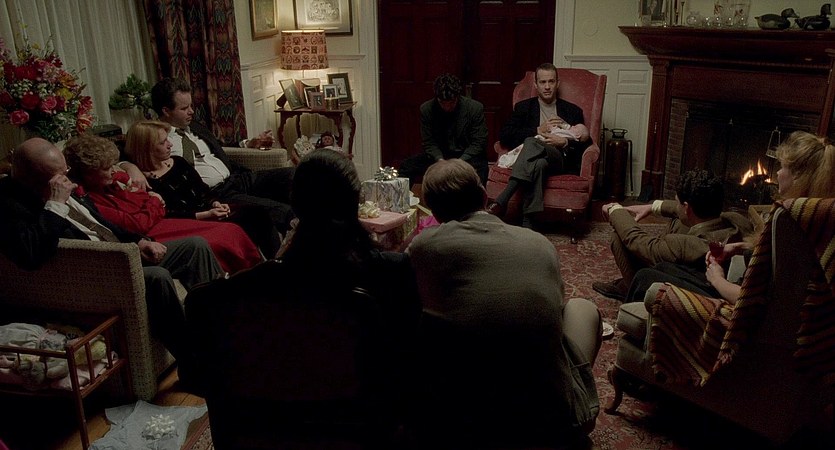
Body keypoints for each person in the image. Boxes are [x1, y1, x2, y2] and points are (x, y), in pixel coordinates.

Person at [406, 158, 602, 448]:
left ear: (432, 210)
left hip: (463, 419)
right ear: (484, 196)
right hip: (552, 418)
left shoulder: (424, 247)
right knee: (582, 308)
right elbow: (555, 309)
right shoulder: (540, 243)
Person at [0, 137, 223, 390]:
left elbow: (101, 224)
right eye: (58, 175)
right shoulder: (8, 203)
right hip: (96, 273)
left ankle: (222, 337)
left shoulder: (60, 183)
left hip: (122, 252)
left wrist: (138, 241)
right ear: (31, 178)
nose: (67, 179)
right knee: (156, 277)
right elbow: (29, 253)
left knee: (195, 246)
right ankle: (195, 368)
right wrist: (54, 205)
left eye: (66, 171)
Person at [63, 133, 263, 274]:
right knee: (220, 237)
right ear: (88, 173)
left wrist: (150, 202)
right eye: (106, 168)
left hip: (160, 222)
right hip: (150, 234)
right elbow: (137, 222)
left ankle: (254, 275)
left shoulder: (114, 181)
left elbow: (148, 201)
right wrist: (153, 203)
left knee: (232, 229)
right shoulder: (87, 199)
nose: (113, 171)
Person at [121, 77, 295, 236]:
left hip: (237, 178)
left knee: (295, 174)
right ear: (166, 110)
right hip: (215, 193)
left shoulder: (194, 126)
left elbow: (219, 145)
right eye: (184, 108)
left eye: (191, 106)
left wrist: (248, 143)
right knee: (282, 211)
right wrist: (129, 167)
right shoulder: (153, 138)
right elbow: (125, 154)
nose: (191, 111)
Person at [703, 130, 835, 303]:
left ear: (798, 176)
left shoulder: (788, 223)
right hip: (740, 290)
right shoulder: (814, 218)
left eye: (782, 167)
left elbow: (758, 302)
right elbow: (775, 257)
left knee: (665, 281)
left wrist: (717, 279)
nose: (777, 173)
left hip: (735, 309)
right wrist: (737, 247)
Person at [124, 120, 284, 258]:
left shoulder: (178, 162)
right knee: (245, 223)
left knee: (258, 214)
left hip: (210, 209)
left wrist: (215, 203)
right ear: (146, 149)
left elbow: (202, 189)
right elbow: (168, 213)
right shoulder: (144, 181)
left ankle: (277, 262)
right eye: (162, 142)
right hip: (192, 222)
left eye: (168, 139)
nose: (170, 144)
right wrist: (206, 214)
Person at [593, 169, 753, 301]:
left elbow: (638, 240)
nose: (676, 206)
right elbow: (684, 211)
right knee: (678, 221)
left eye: (677, 202)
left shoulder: (682, 245)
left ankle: (631, 288)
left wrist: (614, 209)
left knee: (619, 237)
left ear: (687, 207)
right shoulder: (737, 221)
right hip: (703, 273)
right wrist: (653, 207)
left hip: (688, 288)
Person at [487, 63, 591, 227]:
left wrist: (565, 142)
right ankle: (528, 219)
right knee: (539, 163)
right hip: (538, 161)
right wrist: (536, 130)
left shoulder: (572, 111)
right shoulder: (524, 108)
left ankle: (503, 197)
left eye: (551, 81)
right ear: (536, 85)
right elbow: (505, 135)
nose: (547, 87)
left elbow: (587, 142)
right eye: (543, 82)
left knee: (531, 141)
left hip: (559, 159)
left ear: (557, 83)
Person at [398, 73, 488, 186]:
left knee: (481, 168)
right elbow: (429, 142)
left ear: (457, 97)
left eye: (451, 103)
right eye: (442, 103)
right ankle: (403, 197)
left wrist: (460, 161)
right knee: (407, 166)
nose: (447, 107)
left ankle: (475, 198)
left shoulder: (474, 108)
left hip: (466, 155)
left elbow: (479, 142)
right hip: (440, 155)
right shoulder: (427, 109)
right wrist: (439, 159)